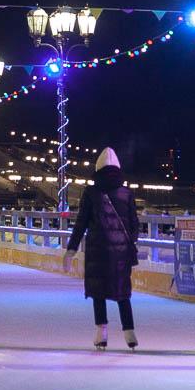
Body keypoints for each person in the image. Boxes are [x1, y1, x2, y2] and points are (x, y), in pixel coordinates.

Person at [64, 148, 139, 349]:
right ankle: (129, 333)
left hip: (98, 249)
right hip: (121, 252)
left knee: (99, 292)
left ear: (98, 169)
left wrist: (71, 250)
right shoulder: (127, 194)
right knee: (122, 292)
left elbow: (81, 223)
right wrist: (126, 243)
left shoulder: (90, 192)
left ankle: (101, 333)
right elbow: (134, 225)